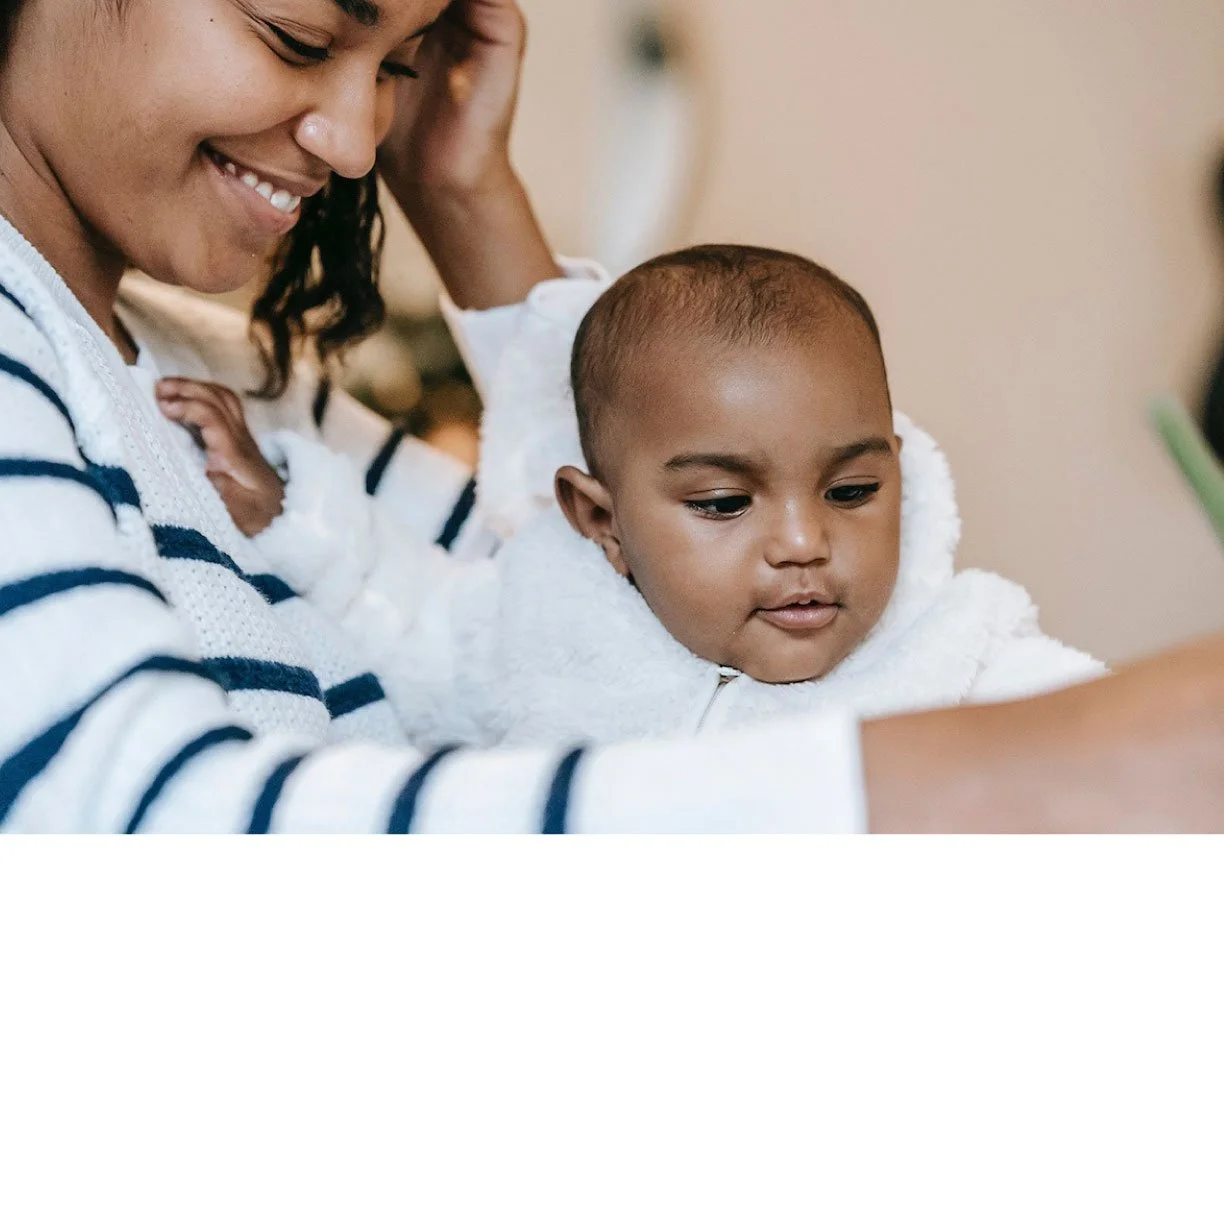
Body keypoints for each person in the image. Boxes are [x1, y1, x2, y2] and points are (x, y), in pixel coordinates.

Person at [0, 0, 1222, 833]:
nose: (360, 139)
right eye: (299, 34)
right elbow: (133, 829)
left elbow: (581, 632)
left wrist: (466, 193)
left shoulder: (233, 383)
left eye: (400, 65)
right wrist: (1044, 769)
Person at [189, 244, 1103, 749]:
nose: (802, 541)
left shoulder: (966, 661)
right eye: (721, 504)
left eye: (853, 488)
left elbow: (1124, 759)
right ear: (601, 520)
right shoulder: (546, 635)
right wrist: (288, 513)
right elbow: (408, 631)